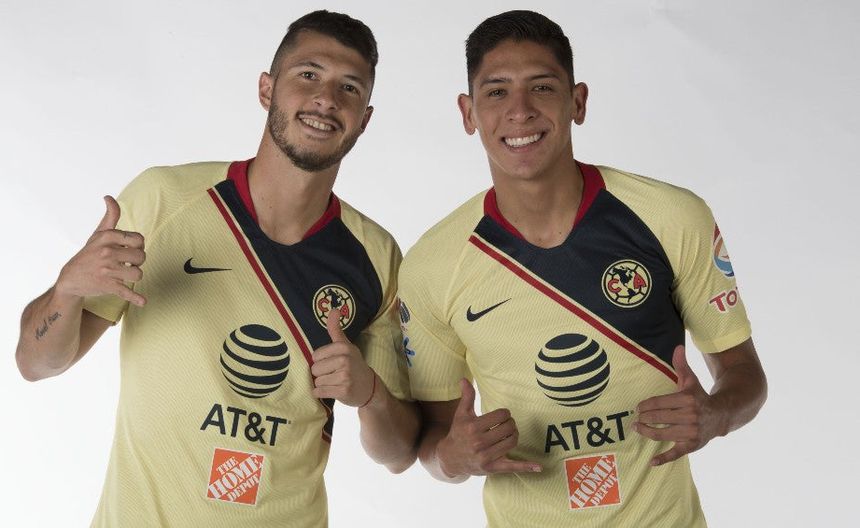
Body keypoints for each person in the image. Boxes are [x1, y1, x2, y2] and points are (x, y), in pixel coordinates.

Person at [15, 10, 418, 527]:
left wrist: (370, 394)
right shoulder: (166, 201)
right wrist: (67, 291)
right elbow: (35, 364)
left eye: (349, 88)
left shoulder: (376, 256)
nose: (326, 99)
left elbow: (398, 454)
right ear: (267, 89)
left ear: (364, 118)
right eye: (309, 75)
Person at [398, 10, 767, 527]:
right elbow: (434, 443)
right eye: (497, 92)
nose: (520, 111)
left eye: (542, 87)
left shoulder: (671, 217)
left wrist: (715, 416)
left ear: (578, 102)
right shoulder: (432, 265)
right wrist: (453, 459)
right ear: (468, 112)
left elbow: (744, 375)